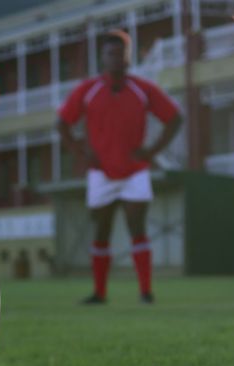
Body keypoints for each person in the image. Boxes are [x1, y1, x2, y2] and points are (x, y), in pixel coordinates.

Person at [57, 30, 182, 305]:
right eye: (110, 54)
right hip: (101, 172)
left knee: (137, 227)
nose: (116, 59)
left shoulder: (142, 89)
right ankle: (99, 293)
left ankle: (146, 292)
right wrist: (81, 152)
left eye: (121, 54)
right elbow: (63, 122)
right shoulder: (88, 90)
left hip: (135, 170)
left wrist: (152, 150)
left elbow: (174, 118)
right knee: (101, 230)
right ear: (102, 58)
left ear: (129, 58)